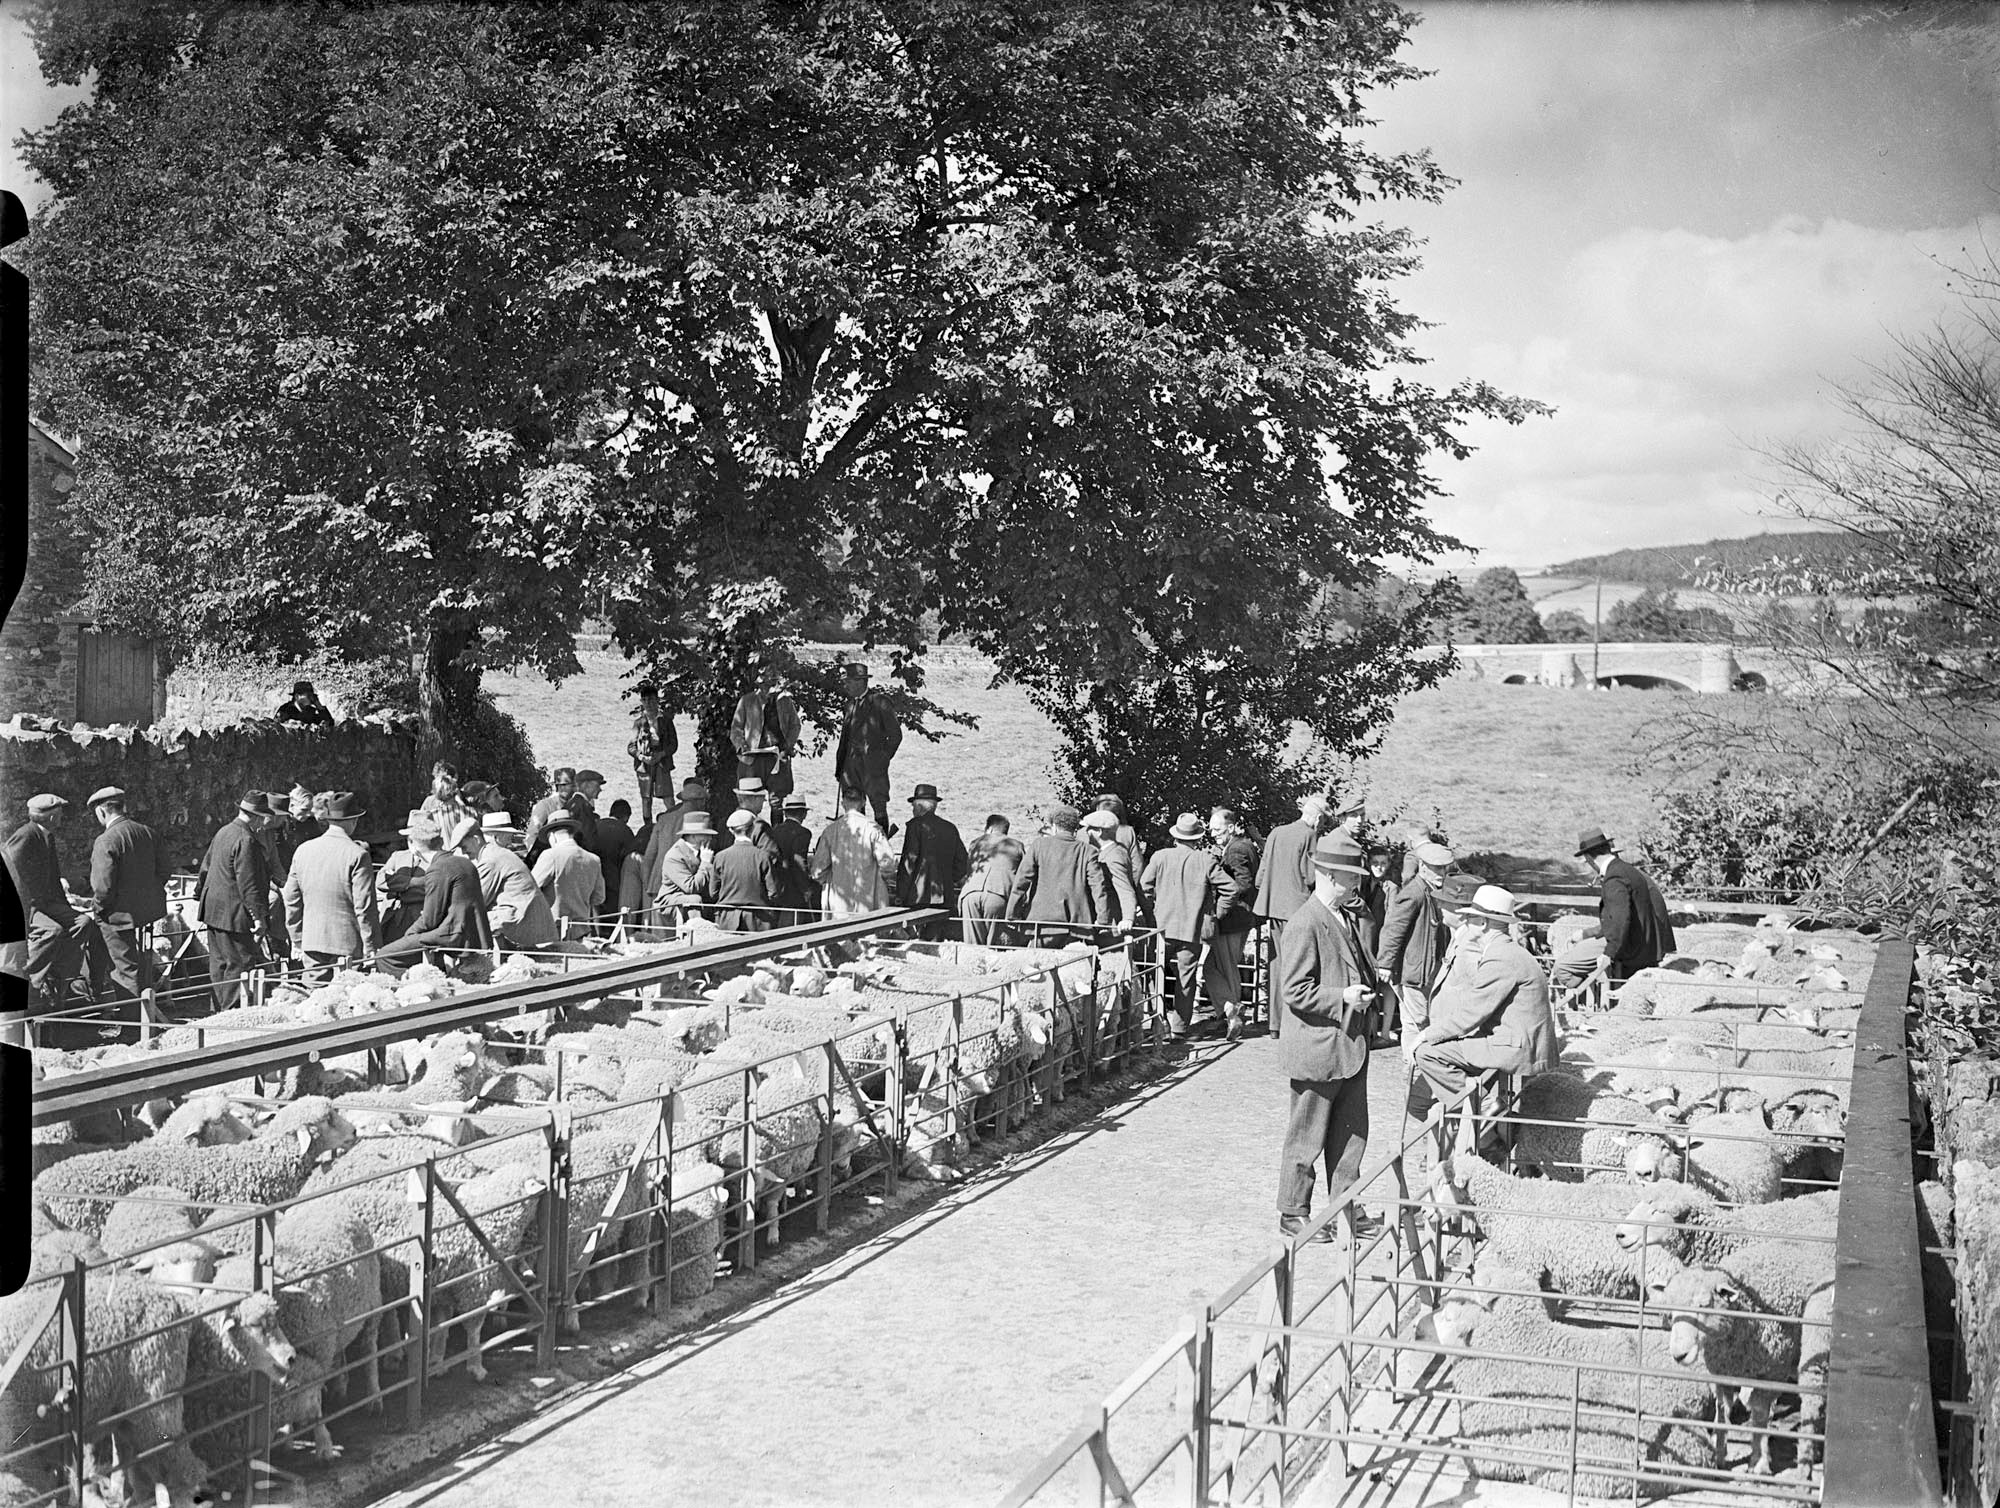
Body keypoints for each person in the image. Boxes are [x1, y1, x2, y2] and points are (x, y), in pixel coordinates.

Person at [1274, 832, 1382, 1243]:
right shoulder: (1305, 923)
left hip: (1349, 1046)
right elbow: (1294, 990)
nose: (1356, 884)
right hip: (1318, 1050)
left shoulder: (1345, 917)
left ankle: (1345, 1209)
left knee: (1351, 1136)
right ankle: (1292, 1212)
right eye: (1350, 877)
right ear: (1328, 875)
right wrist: (1343, 997)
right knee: (1307, 1136)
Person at [1410, 885, 1560, 1150]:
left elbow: (1471, 1013)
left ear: (1483, 923)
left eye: (1470, 917)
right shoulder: (1510, 951)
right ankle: (1482, 1125)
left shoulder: (1500, 958)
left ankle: (1484, 1109)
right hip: (1522, 1040)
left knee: (1427, 1053)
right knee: (1449, 1051)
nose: (1466, 922)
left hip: (1514, 1047)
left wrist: (1425, 1035)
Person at [1142, 813, 1242, 1039]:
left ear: (1175, 836)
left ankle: (1158, 1023)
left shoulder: (1160, 857)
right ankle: (1179, 1030)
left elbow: (1144, 888)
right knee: (1186, 981)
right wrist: (1216, 913)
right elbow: (1231, 889)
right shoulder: (1204, 859)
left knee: (1155, 975)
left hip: (1162, 929)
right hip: (1192, 930)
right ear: (1197, 838)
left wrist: (1151, 915)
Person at [85, 786, 175, 1025]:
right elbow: (165, 870)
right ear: (122, 807)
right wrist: (146, 895)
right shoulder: (148, 832)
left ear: (102, 812)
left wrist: (98, 908)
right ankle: (141, 1014)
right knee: (141, 965)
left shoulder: (106, 840)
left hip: (118, 916)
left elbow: (102, 887)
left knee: (124, 970)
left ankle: (133, 1026)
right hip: (147, 912)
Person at [3, 793, 98, 1010]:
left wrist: (65, 905)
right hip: (29, 904)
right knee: (52, 930)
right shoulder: (26, 835)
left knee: (83, 922)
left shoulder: (47, 836)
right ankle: (32, 979)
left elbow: (53, 878)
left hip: (48, 903)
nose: (63, 817)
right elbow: (9, 872)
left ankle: (59, 975)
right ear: (53, 817)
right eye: (60, 814)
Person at [374, 816, 493, 974]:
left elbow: (429, 920)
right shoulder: (465, 863)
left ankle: (414, 984)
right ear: (441, 841)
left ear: (415, 848)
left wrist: (408, 935)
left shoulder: (438, 869)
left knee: (384, 956)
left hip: (451, 935)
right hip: (472, 934)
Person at [1253, 794, 1327, 1039]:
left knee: (1277, 963)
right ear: (1318, 818)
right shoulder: (1309, 835)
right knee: (1298, 965)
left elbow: (1261, 876)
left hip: (1274, 907)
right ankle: (1292, 1022)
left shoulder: (1276, 832)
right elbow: (1311, 876)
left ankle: (1275, 1024)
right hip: (1297, 909)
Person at [282, 791, 381, 975]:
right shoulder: (357, 854)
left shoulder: (303, 850)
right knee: (347, 991)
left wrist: (297, 938)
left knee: (314, 991)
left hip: (312, 940)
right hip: (347, 944)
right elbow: (364, 906)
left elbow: (290, 898)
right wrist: (371, 945)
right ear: (354, 821)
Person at [195, 791, 275, 1009]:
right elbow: (248, 883)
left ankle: (218, 1010)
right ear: (256, 817)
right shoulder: (246, 840)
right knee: (238, 963)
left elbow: (205, 867)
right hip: (234, 913)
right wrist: (258, 917)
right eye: (262, 818)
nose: (263, 824)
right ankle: (230, 1014)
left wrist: (199, 894)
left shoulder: (223, 832)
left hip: (213, 910)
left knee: (219, 963)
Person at [1376, 841, 1456, 1054]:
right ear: (1422, 866)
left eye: (1444, 868)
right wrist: (1385, 963)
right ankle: (1414, 1065)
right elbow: (1393, 928)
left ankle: (1415, 1065)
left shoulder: (1429, 890)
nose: (1442, 873)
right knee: (1417, 1022)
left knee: (1418, 1022)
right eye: (1436, 868)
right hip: (1414, 973)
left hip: (1423, 970)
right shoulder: (1414, 893)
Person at [1574, 826, 1675, 981]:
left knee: (1629, 992)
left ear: (1589, 857)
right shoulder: (1629, 870)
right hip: (1647, 948)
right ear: (1608, 848)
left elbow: (1620, 919)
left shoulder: (1614, 877)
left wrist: (1609, 953)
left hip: (1633, 953)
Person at [1009, 805, 1114, 947]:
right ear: (1075, 828)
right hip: (1077, 927)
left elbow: (1022, 881)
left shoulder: (1039, 845)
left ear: (1054, 826)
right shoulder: (1088, 851)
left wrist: (1012, 914)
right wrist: (1103, 920)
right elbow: (1098, 887)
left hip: (1041, 925)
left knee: (1038, 961)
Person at [1204, 807, 1261, 1035]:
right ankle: (1228, 1010)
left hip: (1232, 918)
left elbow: (1242, 885)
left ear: (1231, 827)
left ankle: (1232, 1014)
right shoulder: (1244, 845)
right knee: (1215, 967)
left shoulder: (1236, 850)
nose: (1213, 834)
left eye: (1217, 829)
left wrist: (1220, 903)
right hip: (1241, 917)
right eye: (1211, 829)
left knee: (1225, 968)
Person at [475, 811, 560, 951]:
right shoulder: (502, 855)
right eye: (508, 837)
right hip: (532, 920)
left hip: (521, 919)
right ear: (497, 837)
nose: (510, 842)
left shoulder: (493, 857)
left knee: (469, 921)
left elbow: (479, 899)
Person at [894, 783, 969, 940]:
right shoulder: (950, 828)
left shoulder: (915, 826)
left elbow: (909, 862)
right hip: (945, 895)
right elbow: (962, 862)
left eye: (913, 806)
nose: (912, 810)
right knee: (935, 939)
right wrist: (948, 880)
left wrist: (901, 893)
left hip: (917, 895)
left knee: (917, 940)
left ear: (919, 807)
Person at [834, 662, 902, 833]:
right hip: (850, 768)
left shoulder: (880, 702)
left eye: (848, 682)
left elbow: (895, 735)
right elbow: (845, 738)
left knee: (879, 807)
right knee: (854, 809)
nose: (845, 686)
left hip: (873, 767)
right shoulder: (849, 705)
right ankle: (858, 843)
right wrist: (840, 766)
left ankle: (882, 841)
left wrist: (882, 758)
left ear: (860, 681)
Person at [811, 787, 895, 918]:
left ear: (843, 803)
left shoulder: (830, 831)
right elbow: (888, 864)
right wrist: (881, 879)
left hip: (839, 904)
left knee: (839, 930)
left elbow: (818, 870)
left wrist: (827, 879)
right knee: (868, 929)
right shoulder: (873, 829)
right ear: (863, 803)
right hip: (869, 901)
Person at [731, 660, 802, 799]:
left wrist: (787, 746)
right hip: (752, 759)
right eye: (766, 685)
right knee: (749, 797)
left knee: (778, 800)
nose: (769, 689)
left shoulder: (785, 701)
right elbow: (736, 729)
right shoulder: (747, 701)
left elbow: (795, 725)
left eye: (772, 684)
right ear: (760, 684)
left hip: (777, 757)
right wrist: (742, 747)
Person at [641, 777, 708, 924]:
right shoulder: (699, 824)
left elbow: (649, 856)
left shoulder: (664, 819)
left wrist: (647, 884)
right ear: (700, 802)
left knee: (659, 934)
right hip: (685, 891)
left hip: (658, 886)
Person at [709, 809, 781, 931]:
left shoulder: (720, 857)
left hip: (727, 919)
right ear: (753, 829)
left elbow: (713, 893)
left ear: (731, 831)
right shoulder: (763, 857)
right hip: (758, 920)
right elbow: (773, 893)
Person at [376, 808, 434, 945]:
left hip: (419, 919)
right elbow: (381, 881)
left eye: (415, 837)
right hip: (392, 918)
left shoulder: (435, 859)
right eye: (409, 837)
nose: (410, 841)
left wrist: (397, 884)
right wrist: (414, 882)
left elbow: (431, 889)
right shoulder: (398, 856)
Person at [535, 814, 604, 924]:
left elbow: (530, 887)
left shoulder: (551, 855)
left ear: (552, 836)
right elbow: (599, 897)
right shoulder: (594, 860)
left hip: (553, 927)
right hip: (581, 926)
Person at [1080, 810, 1142, 932]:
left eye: (1089, 828)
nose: (1086, 832)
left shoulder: (1113, 857)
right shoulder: (1115, 850)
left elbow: (1125, 889)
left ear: (1099, 831)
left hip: (1110, 926)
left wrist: (1128, 918)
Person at [655, 810, 718, 927]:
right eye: (705, 834)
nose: (710, 838)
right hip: (672, 900)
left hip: (693, 896)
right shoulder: (675, 855)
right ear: (693, 836)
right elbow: (690, 887)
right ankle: (697, 933)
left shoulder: (702, 850)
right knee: (694, 899)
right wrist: (705, 863)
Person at [627, 681, 678, 824]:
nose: (648, 703)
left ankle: (673, 824)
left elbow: (674, 745)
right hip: (644, 764)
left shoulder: (666, 721)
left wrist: (661, 754)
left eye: (651, 699)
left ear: (657, 700)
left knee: (668, 797)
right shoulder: (638, 723)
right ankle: (647, 827)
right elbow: (630, 747)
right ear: (641, 702)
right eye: (645, 700)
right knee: (646, 798)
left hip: (662, 762)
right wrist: (642, 757)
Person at [959, 835, 1022, 945]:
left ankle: (973, 956)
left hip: (970, 893)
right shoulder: (1017, 846)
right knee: (992, 945)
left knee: (972, 945)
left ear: (989, 829)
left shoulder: (975, 842)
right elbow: (1023, 875)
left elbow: (968, 869)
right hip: (998, 894)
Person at [771, 796, 818, 922]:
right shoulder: (803, 833)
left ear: (785, 813)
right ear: (803, 814)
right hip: (794, 889)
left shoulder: (774, 830)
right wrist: (806, 888)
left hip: (776, 883)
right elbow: (799, 862)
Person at [524, 768, 580, 863]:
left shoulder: (577, 806)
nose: (563, 788)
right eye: (560, 785)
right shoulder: (545, 806)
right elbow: (532, 835)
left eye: (567, 785)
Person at [595, 798, 637, 918]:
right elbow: (630, 859)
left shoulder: (596, 825)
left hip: (594, 876)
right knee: (612, 916)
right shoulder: (625, 831)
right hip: (614, 880)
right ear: (626, 817)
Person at [730, 778, 784, 868]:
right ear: (754, 799)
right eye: (762, 798)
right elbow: (772, 859)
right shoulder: (760, 827)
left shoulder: (726, 824)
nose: (763, 802)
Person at [1094, 794, 1146, 866]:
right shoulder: (1127, 832)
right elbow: (1137, 864)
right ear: (1117, 811)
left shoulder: (1082, 833)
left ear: (1097, 809)